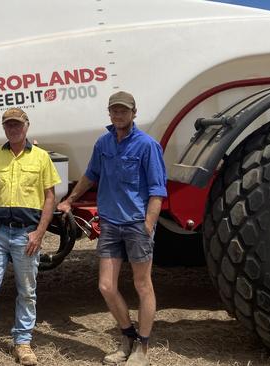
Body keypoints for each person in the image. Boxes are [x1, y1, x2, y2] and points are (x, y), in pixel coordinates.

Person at [57, 91, 167, 366]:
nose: (118, 115)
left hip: (135, 225)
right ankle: (127, 337)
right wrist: (69, 200)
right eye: (114, 111)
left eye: (123, 111)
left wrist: (148, 225)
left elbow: (157, 190)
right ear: (109, 113)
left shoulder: (147, 145)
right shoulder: (104, 143)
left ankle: (142, 348)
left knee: (142, 284)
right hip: (110, 224)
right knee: (106, 286)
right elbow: (91, 175)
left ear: (133, 113)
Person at [0, 108, 61, 366]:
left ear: (27, 126)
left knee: (27, 291)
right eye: (8, 125)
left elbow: (50, 197)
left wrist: (39, 233)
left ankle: (23, 343)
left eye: (17, 124)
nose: (13, 129)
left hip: (26, 235)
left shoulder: (41, 158)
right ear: (4, 128)